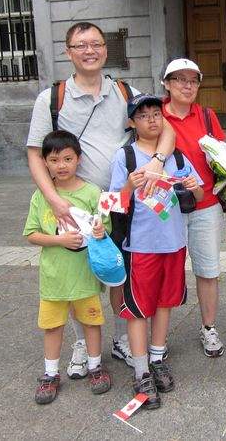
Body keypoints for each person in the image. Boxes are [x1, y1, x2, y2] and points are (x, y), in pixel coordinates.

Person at [26, 22, 175, 375]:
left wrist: (157, 161)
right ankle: (82, 342)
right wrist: (54, 200)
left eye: (95, 43)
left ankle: (123, 337)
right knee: (80, 275)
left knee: (120, 271)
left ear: (106, 50)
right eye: (80, 45)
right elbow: (34, 153)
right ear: (68, 52)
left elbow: (164, 126)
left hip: (120, 201)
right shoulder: (52, 99)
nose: (89, 50)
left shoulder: (125, 92)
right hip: (76, 203)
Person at [110, 94, 204, 409]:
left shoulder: (176, 158)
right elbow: (111, 204)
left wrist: (193, 185)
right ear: (132, 123)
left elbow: (200, 192)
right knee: (139, 308)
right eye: (143, 115)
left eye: (156, 114)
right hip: (140, 246)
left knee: (165, 303)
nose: (151, 120)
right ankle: (140, 371)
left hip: (174, 244)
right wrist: (127, 187)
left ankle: (158, 356)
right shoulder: (125, 157)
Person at [24, 130, 112, 404]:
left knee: (91, 321)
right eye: (54, 160)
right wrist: (59, 239)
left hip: (84, 276)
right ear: (45, 163)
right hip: (54, 279)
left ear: (79, 159)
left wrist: (99, 231)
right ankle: (50, 374)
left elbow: (105, 228)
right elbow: (31, 234)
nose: (61, 165)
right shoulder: (42, 196)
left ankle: (95, 367)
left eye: (67, 158)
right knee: (52, 326)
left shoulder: (91, 192)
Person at [161, 59, 226, 357]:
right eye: (180, 80)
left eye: (193, 80)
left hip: (206, 203)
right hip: (165, 207)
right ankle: (158, 335)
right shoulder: (154, 115)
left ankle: (209, 328)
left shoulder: (208, 116)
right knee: (164, 270)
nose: (187, 86)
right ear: (167, 83)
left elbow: (224, 156)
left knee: (208, 269)